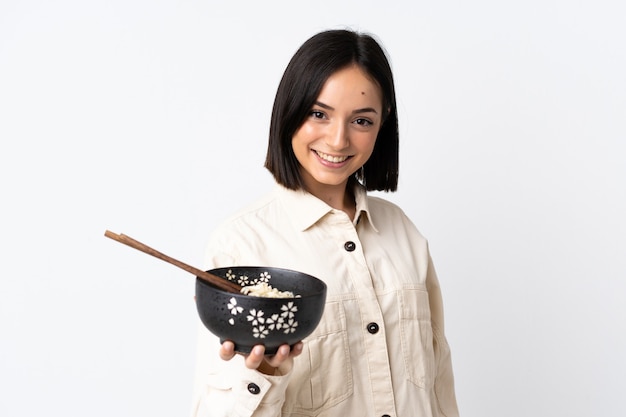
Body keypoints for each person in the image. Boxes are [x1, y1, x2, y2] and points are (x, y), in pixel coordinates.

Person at [191, 29, 459, 417]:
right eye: (319, 114)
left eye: (361, 121)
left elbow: (439, 383)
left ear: (382, 124)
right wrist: (265, 372)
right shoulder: (241, 244)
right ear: (290, 111)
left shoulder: (403, 232)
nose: (337, 140)